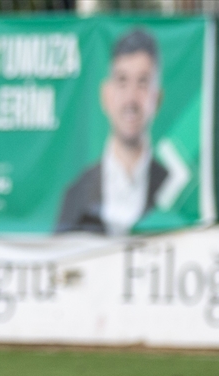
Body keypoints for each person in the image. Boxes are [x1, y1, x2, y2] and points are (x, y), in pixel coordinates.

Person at [56, 28, 168, 235]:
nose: (131, 99)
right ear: (106, 94)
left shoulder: (172, 188)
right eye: (122, 81)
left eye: (142, 83)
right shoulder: (76, 194)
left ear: (157, 98)